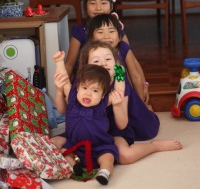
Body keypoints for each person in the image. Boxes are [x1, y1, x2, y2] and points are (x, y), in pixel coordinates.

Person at [78, 41, 182, 165]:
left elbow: (122, 125)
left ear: (116, 64)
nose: (103, 63)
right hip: (89, 127)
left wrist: (116, 104)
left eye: (108, 59)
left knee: (125, 156)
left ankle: (155, 146)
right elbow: (68, 109)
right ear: (86, 67)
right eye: (96, 61)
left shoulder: (120, 85)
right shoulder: (81, 83)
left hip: (114, 128)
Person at [53, 50, 127, 185]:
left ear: (103, 95)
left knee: (108, 157)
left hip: (100, 146)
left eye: (95, 91)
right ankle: (75, 167)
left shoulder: (103, 103)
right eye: (84, 88)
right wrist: (59, 62)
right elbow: (63, 81)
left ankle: (104, 172)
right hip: (74, 145)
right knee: (61, 149)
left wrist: (120, 72)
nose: (88, 94)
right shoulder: (72, 99)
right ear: (77, 88)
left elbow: (119, 92)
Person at [65, 0, 129, 79]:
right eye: (93, 3)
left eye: (103, 3)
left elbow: (130, 64)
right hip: (88, 81)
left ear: (111, 6)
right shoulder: (80, 31)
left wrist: (140, 86)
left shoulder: (118, 30)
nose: (98, 8)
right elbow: (69, 65)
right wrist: (64, 91)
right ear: (85, 6)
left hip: (117, 80)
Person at [87, 13, 149, 104]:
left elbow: (135, 76)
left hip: (125, 96)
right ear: (92, 38)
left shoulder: (123, 48)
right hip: (101, 99)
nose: (106, 36)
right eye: (100, 32)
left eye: (111, 31)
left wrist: (141, 104)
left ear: (120, 37)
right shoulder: (90, 53)